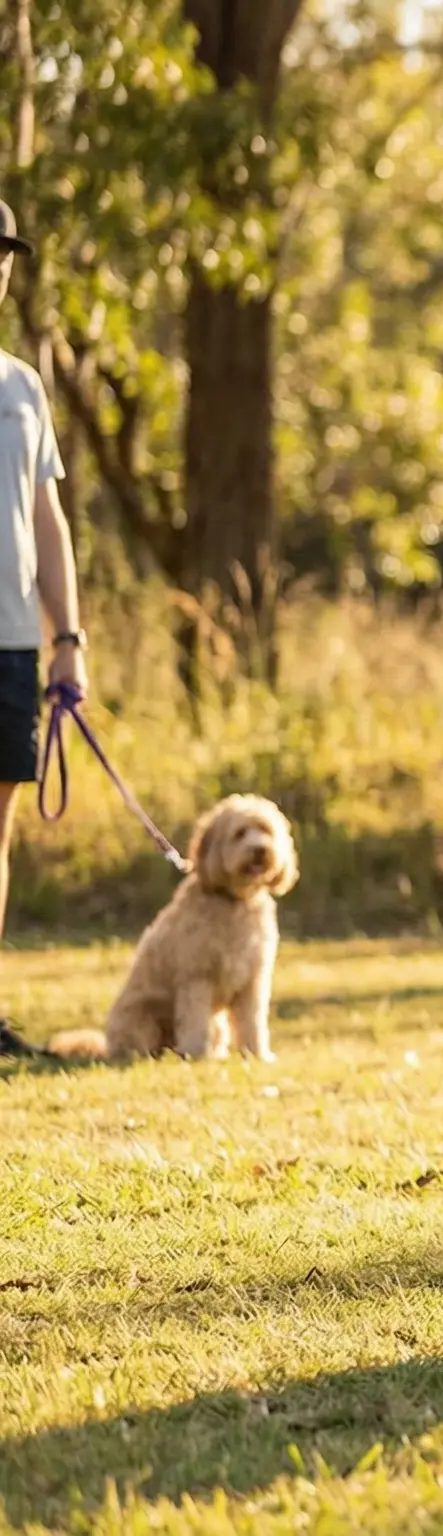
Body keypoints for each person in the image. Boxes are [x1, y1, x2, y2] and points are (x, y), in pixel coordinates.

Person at [0, 201, 91, 976]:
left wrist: (68, 640)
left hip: (12, 641)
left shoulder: (24, 386)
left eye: (3, 259)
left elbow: (48, 521)